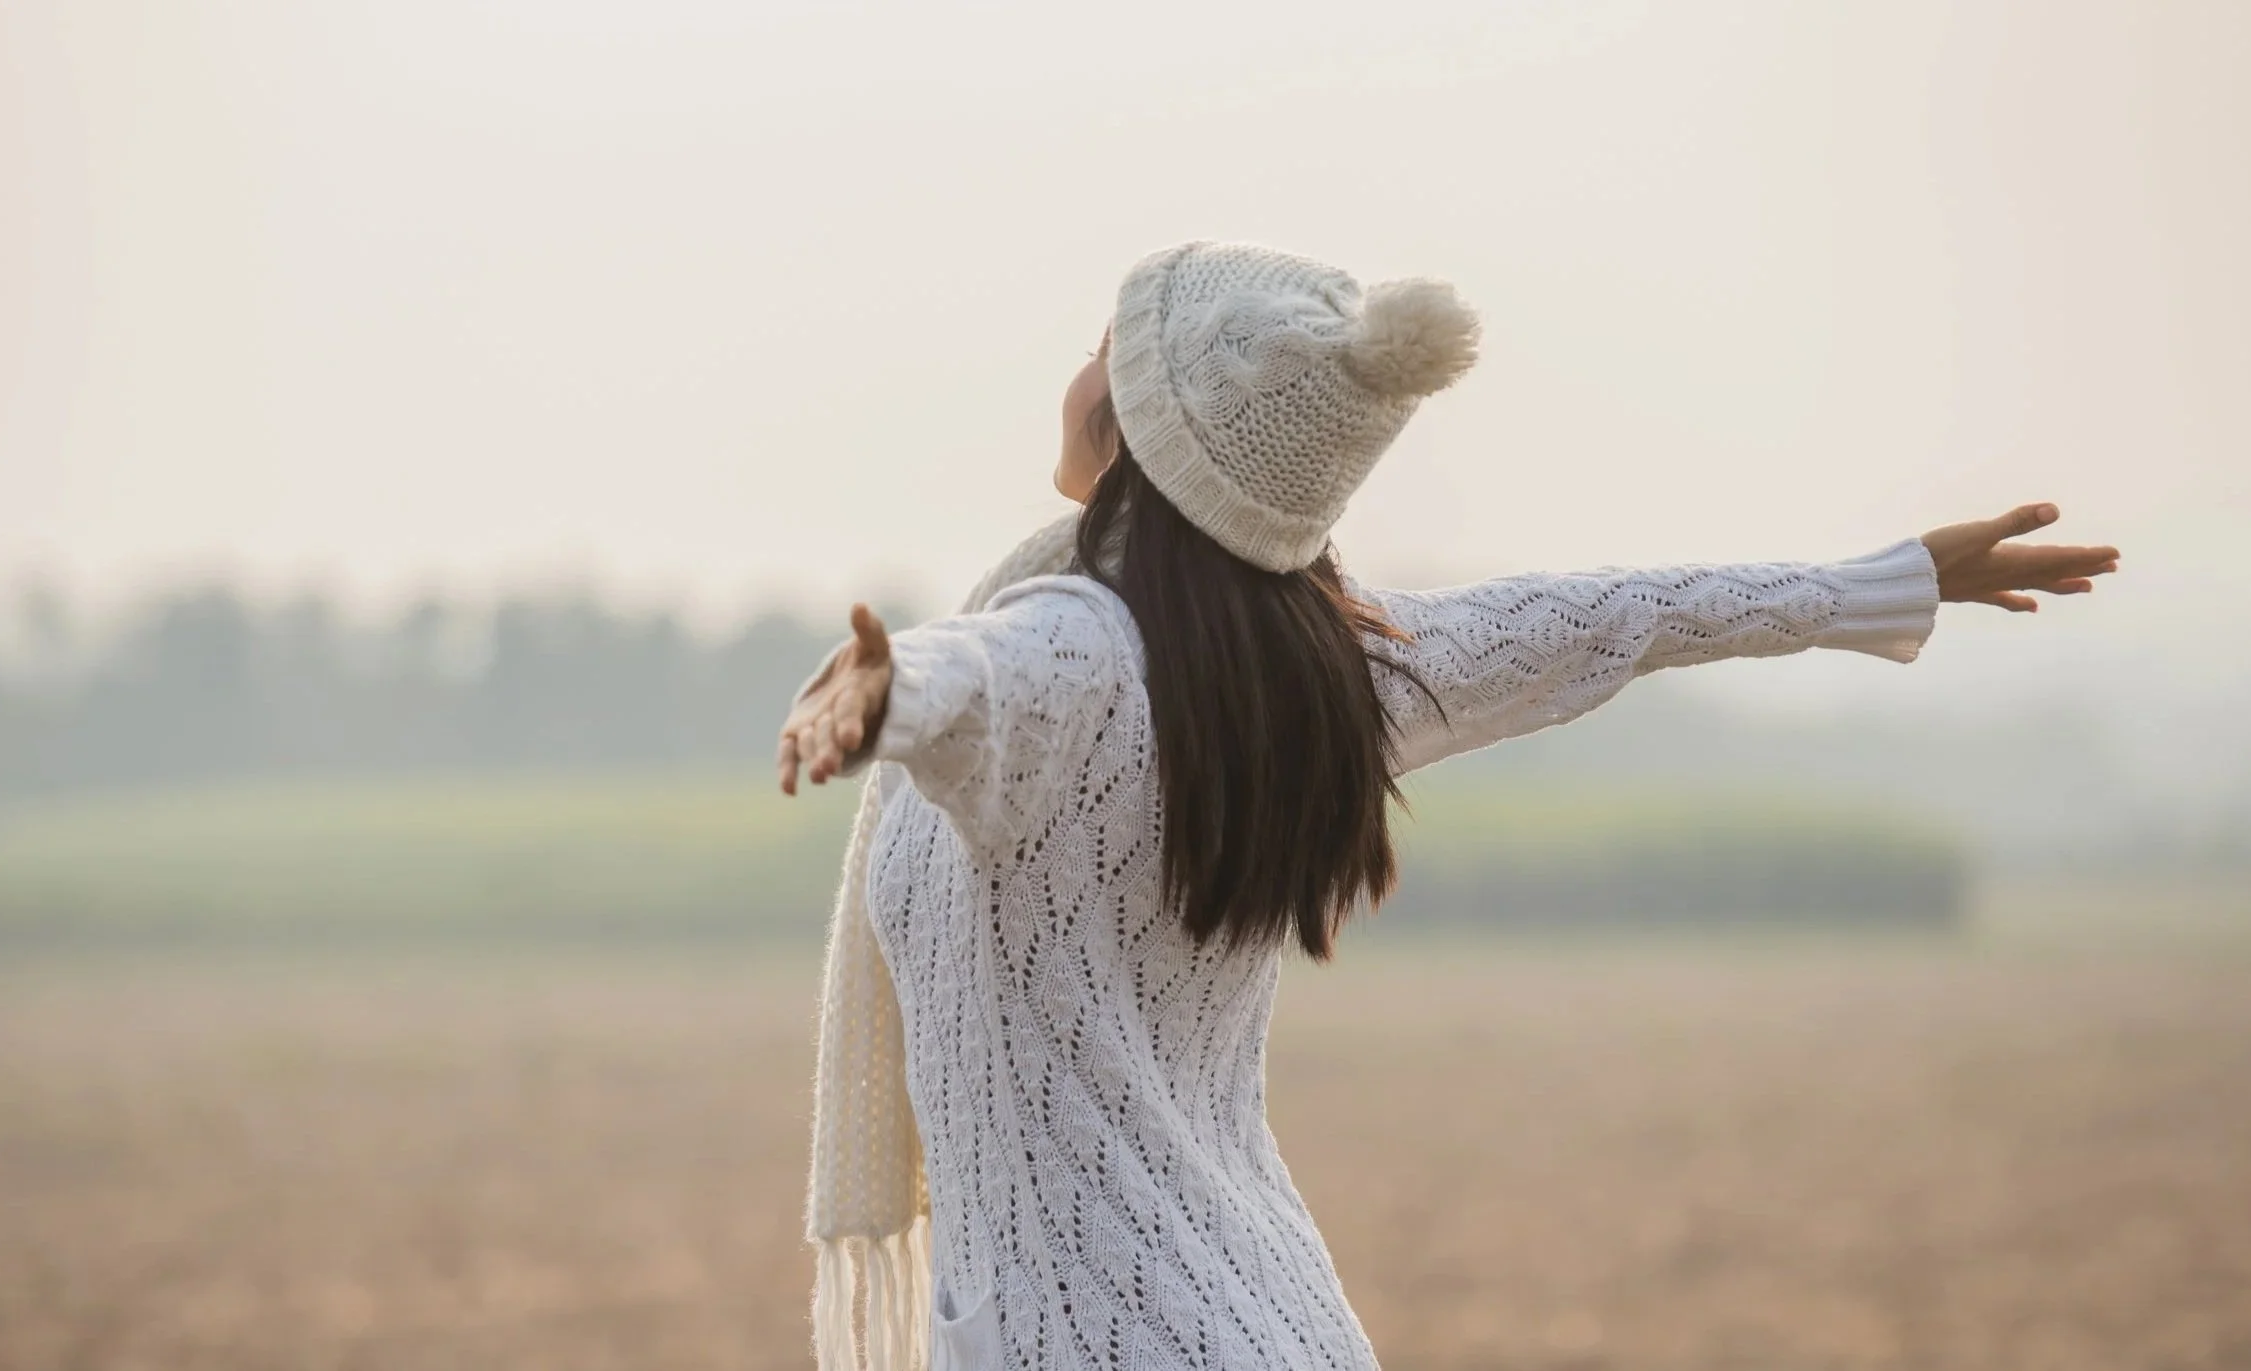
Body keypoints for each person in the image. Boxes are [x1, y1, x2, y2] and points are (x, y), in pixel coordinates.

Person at [774, 241, 2118, 1371]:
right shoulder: (1323, 674)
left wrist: (885, 692)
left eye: (1101, 351)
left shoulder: (1067, 646)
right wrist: (1876, 585)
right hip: (1270, 1323)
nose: (1078, 371)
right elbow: (1612, 617)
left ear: (1129, 425)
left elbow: (982, 676)